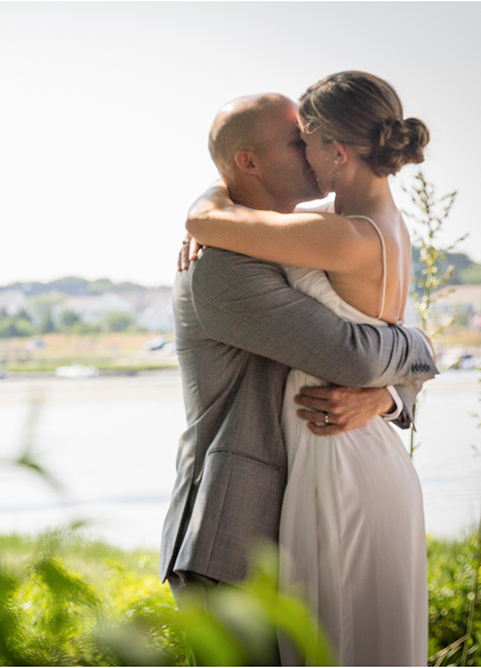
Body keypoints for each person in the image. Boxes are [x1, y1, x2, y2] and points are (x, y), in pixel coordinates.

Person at [181, 72, 432, 665]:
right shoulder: (372, 228)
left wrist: (207, 204)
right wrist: (398, 382)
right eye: (293, 141)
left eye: (306, 139)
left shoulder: (331, 232)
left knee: (337, 642)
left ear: (336, 151)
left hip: (336, 456)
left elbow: (357, 354)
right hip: (333, 467)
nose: (304, 152)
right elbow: (391, 348)